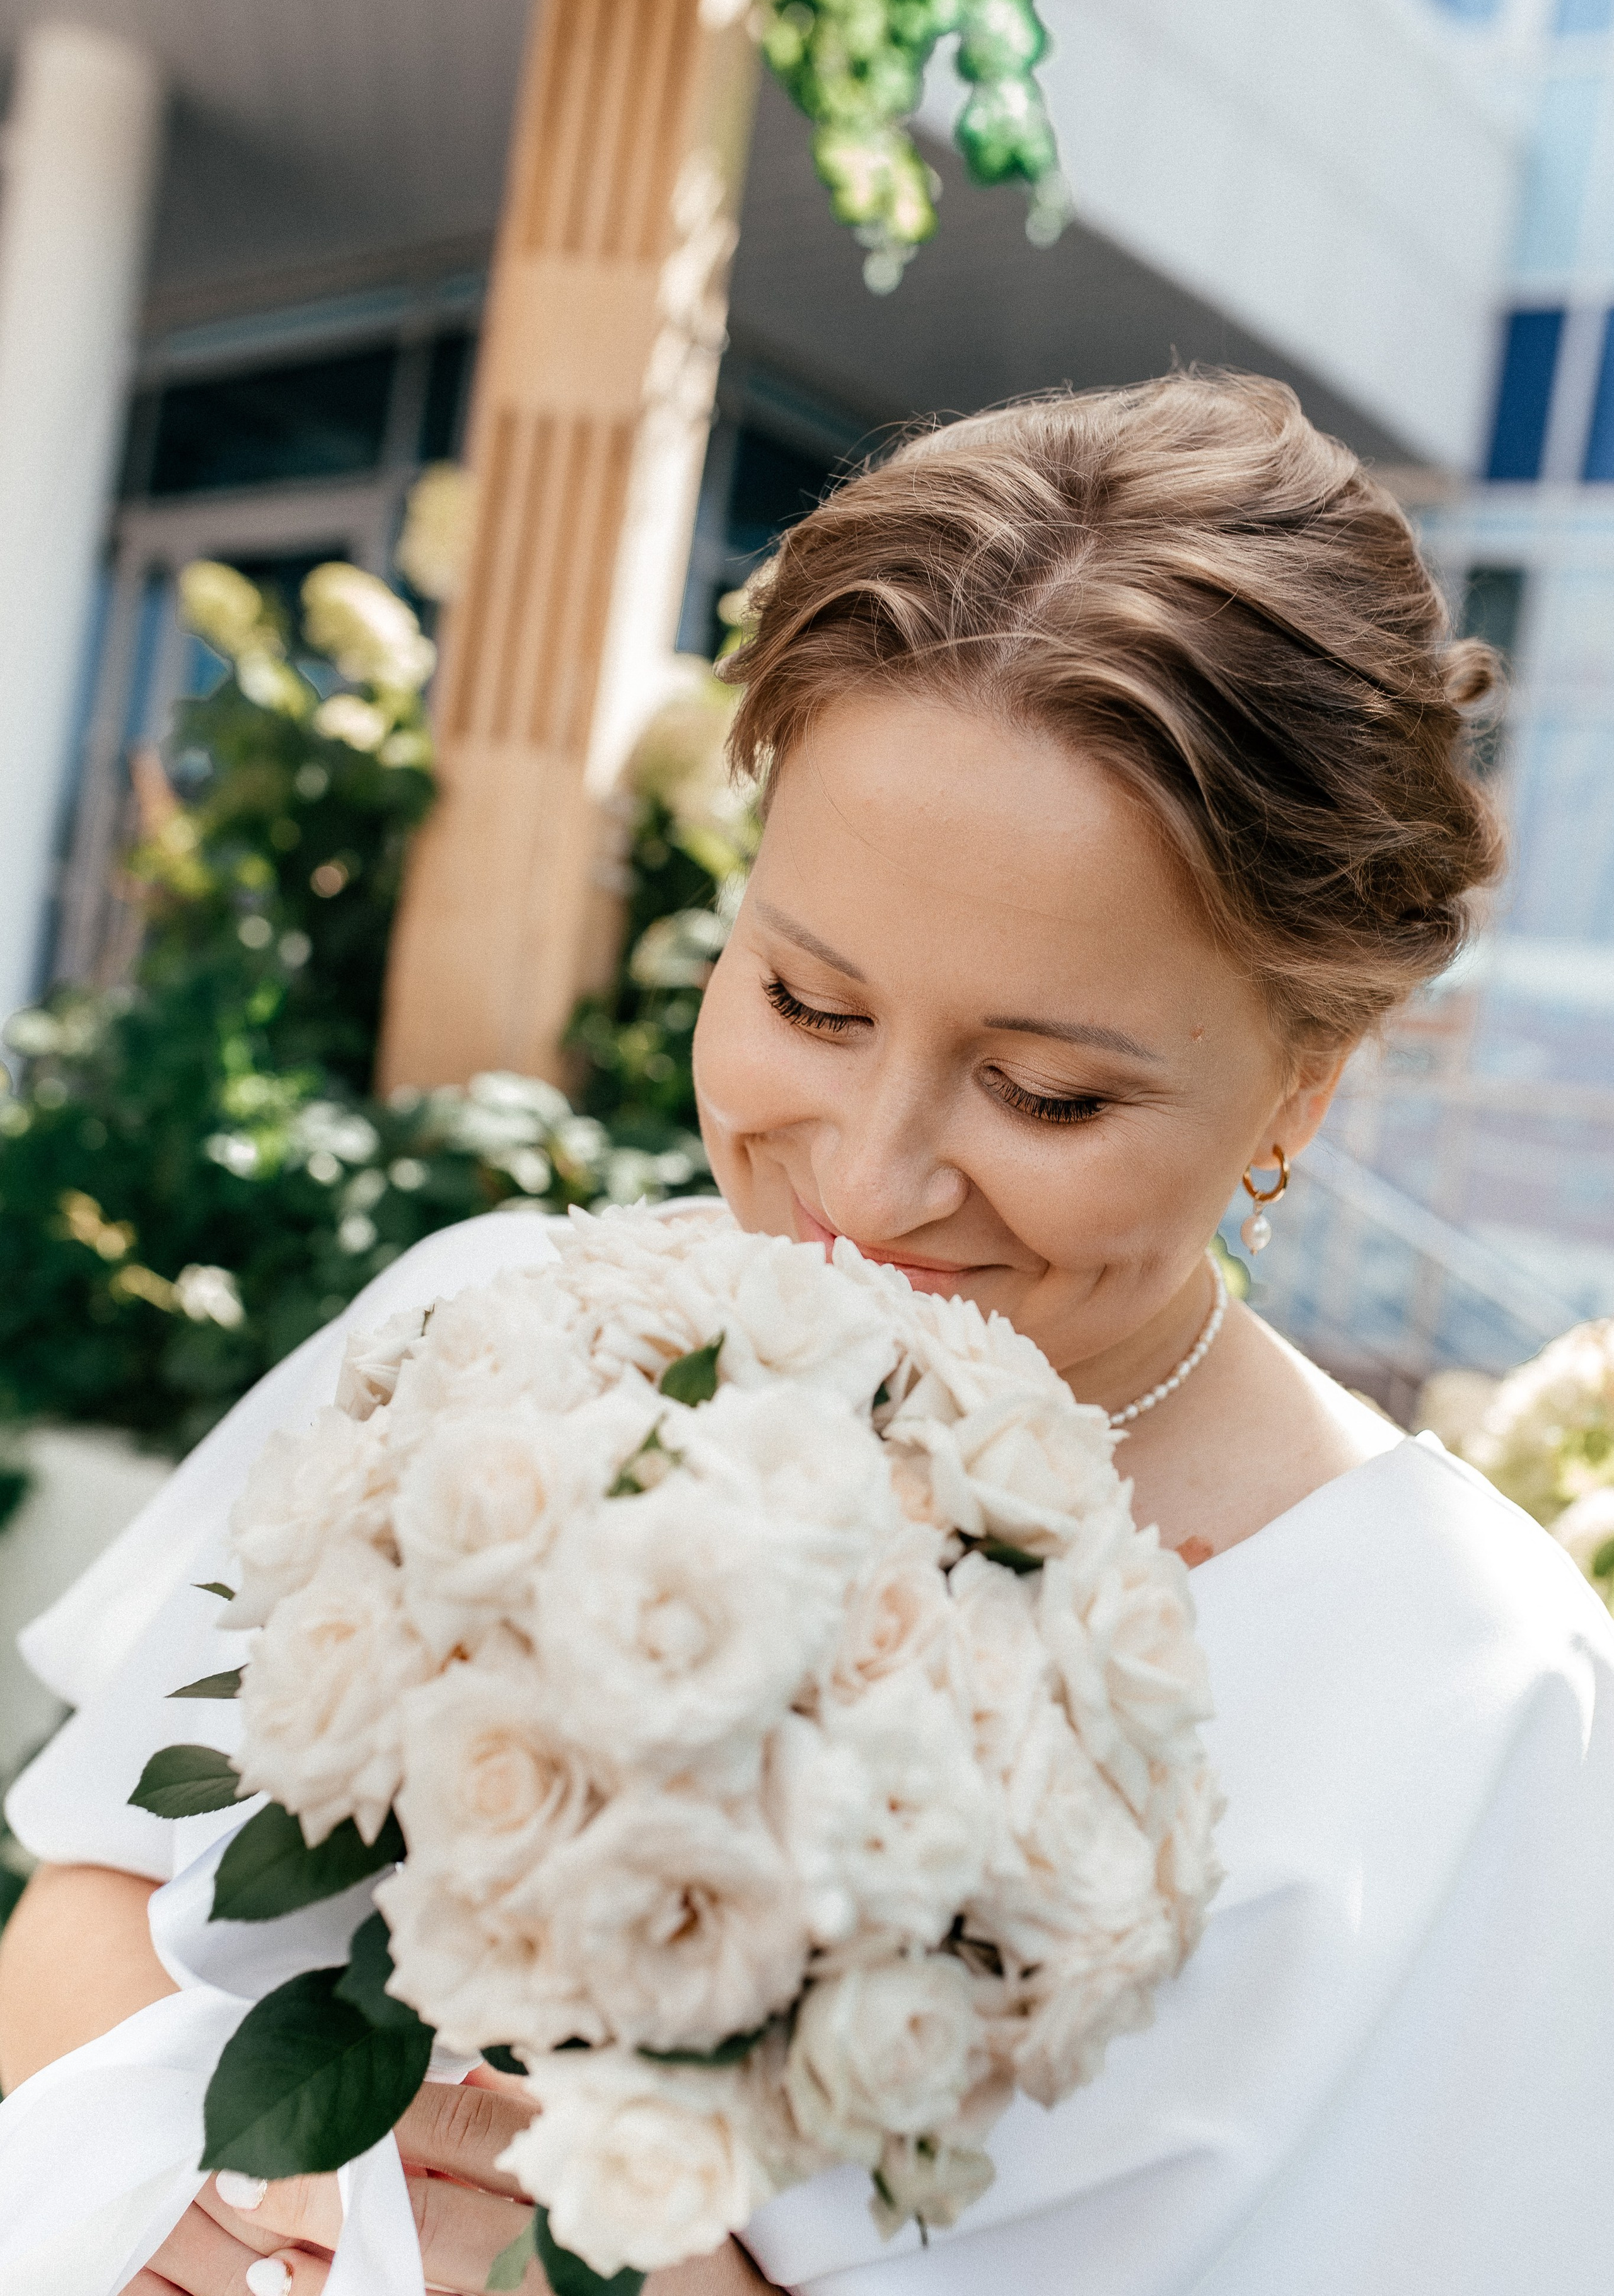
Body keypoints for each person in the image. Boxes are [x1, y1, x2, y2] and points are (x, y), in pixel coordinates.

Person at [4, 373, 1611, 2295]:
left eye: (1045, 1094)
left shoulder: (1467, 1699)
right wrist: (248, 2213)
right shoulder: (484, 1325)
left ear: (1304, 1087)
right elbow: (101, 1898)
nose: (866, 1179)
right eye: (809, 1002)